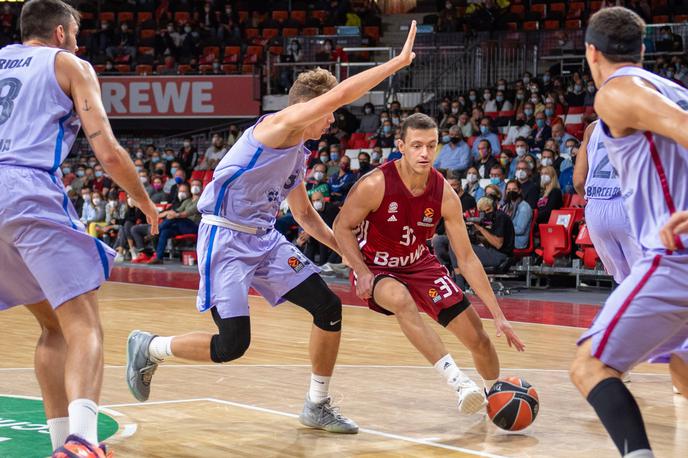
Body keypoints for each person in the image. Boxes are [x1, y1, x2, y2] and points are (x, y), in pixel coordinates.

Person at [126, 21, 422, 435]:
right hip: (226, 237)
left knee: (328, 307)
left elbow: (303, 216)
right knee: (232, 345)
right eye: (328, 113)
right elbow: (339, 94)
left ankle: (317, 404)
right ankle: (150, 346)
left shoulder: (298, 153)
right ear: (311, 108)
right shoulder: (276, 127)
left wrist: (351, 258)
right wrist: (397, 62)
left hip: (264, 240)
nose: (331, 121)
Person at [0, 1, 159, 456]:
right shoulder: (68, 64)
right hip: (25, 188)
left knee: (52, 327)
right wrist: (143, 201)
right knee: (83, 324)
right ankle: (84, 441)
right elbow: (107, 150)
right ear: (59, 33)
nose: (77, 40)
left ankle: (62, 445)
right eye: (74, 32)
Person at [334, 113, 524, 416]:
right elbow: (341, 226)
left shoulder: (445, 194)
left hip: (419, 263)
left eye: (431, 145)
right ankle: (460, 383)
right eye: (416, 145)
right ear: (401, 146)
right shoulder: (375, 184)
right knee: (401, 299)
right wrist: (361, 270)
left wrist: (499, 315)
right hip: (377, 266)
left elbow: (467, 258)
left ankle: (495, 399)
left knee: (480, 340)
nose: (424, 153)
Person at [569, 8, 688, 458]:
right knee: (683, 371)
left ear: (591, 51)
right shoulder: (672, 88)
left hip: (675, 258)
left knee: (590, 367)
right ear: (641, 49)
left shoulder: (616, 92)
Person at [573, 121, 642, 284]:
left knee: (623, 280)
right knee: (649, 277)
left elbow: (578, 181)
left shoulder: (591, 129)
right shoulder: (643, 121)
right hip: (626, 203)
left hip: (595, 209)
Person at [148, 182, 201, 264]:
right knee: (165, 232)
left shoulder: (201, 201)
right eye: (193, 185)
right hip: (182, 225)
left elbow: (187, 213)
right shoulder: (187, 201)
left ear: (202, 188)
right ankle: (159, 257)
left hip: (193, 226)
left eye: (197, 185)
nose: (195, 187)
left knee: (175, 219)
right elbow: (177, 211)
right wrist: (170, 213)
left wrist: (174, 215)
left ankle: (156, 230)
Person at [500, 180, 533, 250]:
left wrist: (502, 229)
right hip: (507, 239)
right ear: (505, 191)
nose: (511, 191)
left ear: (519, 191)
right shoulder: (507, 206)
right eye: (508, 189)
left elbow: (520, 230)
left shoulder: (524, 207)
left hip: (517, 243)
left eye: (514, 189)